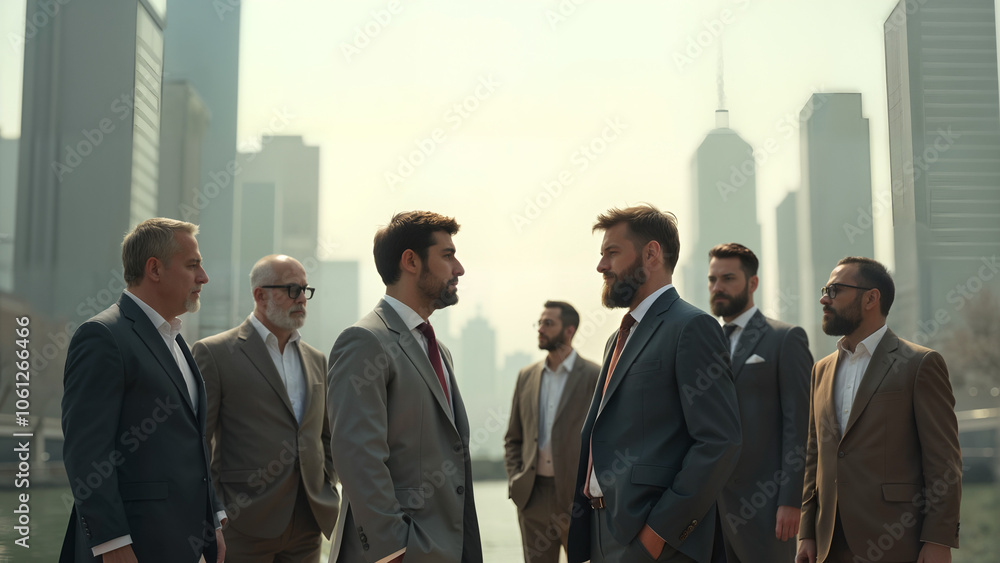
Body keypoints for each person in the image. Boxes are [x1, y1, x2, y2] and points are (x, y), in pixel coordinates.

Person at [567, 204, 742, 563]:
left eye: (612, 253)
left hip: (655, 542)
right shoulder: (615, 340)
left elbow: (719, 441)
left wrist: (657, 535)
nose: (601, 266)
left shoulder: (691, 327)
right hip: (603, 535)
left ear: (651, 253)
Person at [59, 218, 225, 563]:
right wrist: (111, 543)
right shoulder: (103, 337)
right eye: (193, 265)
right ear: (155, 269)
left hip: (188, 542)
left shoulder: (176, 341)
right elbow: (86, 452)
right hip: (132, 547)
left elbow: (194, 446)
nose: (203, 277)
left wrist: (215, 522)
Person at [326, 211, 483, 563]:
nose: (458, 269)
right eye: (447, 255)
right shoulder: (365, 340)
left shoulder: (438, 350)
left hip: (446, 547)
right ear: (410, 261)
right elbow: (357, 456)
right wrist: (393, 550)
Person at [796, 257, 962, 563]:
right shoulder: (820, 370)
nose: (824, 298)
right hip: (828, 543)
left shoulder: (919, 364)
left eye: (834, 290)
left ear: (872, 298)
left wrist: (939, 539)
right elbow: (814, 457)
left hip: (895, 540)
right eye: (824, 290)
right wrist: (807, 532)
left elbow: (943, 461)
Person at [192, 255, 340, 562]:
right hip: (242, 523)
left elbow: (326, 434)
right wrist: (213, 511)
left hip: (309, 521)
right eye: (291, 289)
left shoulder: (316, 359)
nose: (302, 298)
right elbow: (198, 442)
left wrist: (326, 482)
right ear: (260, 295)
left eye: (304, 289)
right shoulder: (214, 353)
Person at [706, 243, 811, 563]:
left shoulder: (785, 338)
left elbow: (801, 424)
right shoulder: (704, 344)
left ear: (753, 283)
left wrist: (792, 500)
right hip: (708, 512)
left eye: (727, 278)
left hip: (767, 508)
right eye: (712, 280)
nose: (717, 287)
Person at [505, 301, 601, 562]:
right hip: (532, 497)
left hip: (577, 499)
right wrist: (515, 480)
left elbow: (604, 439)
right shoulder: (527, 376)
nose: (541, 329)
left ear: (569, 330)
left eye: (549, 323)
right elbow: (513, 438)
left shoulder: (595, 375)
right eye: (540, 323)